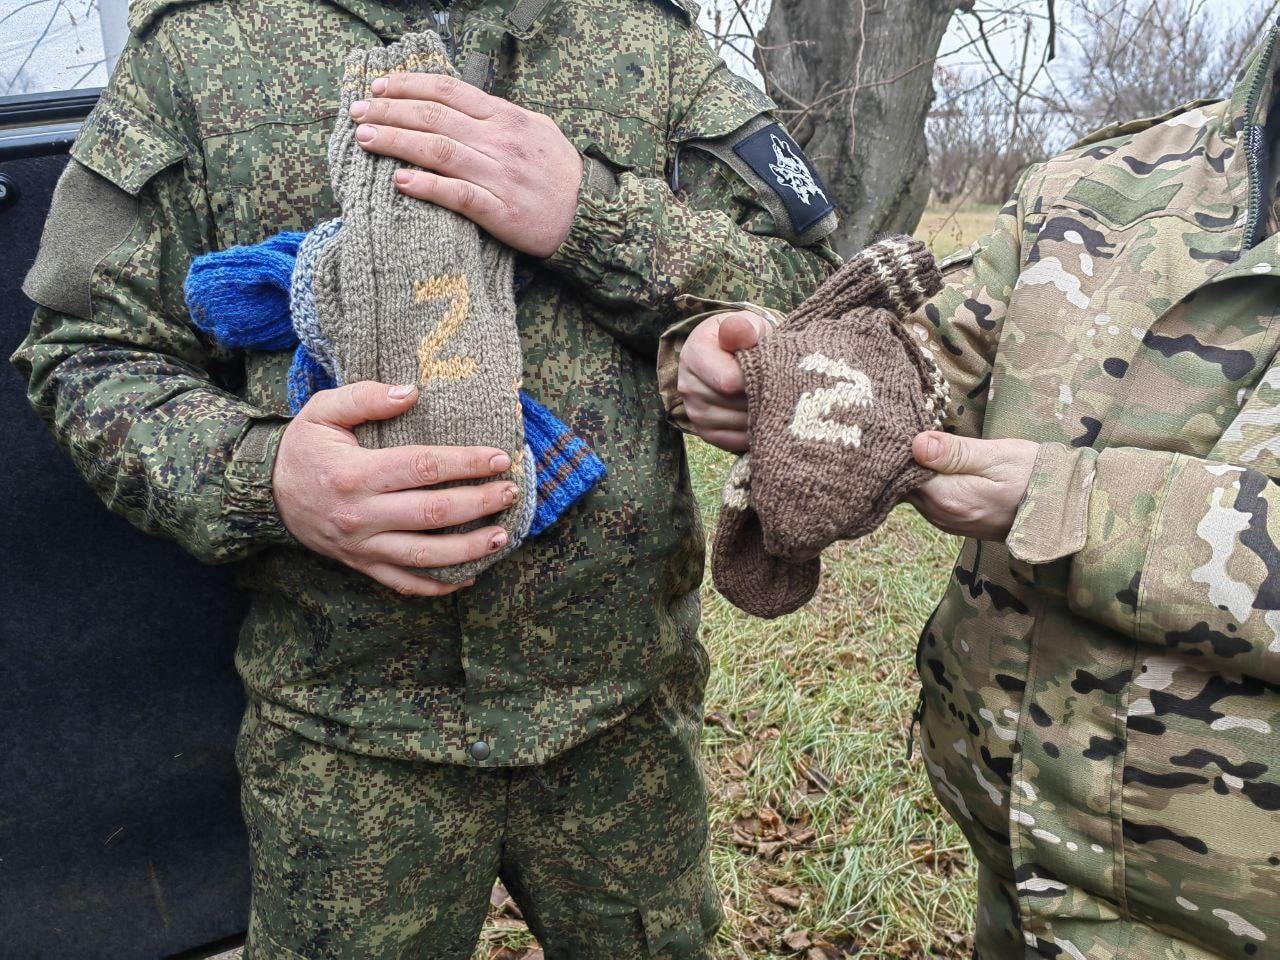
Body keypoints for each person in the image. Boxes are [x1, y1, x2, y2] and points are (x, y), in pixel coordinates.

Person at [12, 0, 840, 956]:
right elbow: (83, 348)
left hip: (620, 721)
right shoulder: (202, 44)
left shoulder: (639, 37)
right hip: (345, 738)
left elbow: (817, 297)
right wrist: (264, 474)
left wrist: (588, 211)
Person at [670, 24, 1280, 960]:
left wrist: (1066, 507)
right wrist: (779, 360)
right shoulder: (1097, 185)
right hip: (1017, 857)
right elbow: (924, 357)